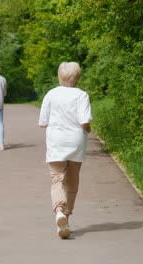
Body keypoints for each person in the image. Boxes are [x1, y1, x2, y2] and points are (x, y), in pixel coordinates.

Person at [38, 62, 92, 239]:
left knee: (57, 179)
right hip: (75, 141)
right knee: (72, 181)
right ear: (77, 78)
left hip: (56, 141)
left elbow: (42, 123)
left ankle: (59, 211)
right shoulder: (82, 95)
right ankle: (66, 218)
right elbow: (84, 121)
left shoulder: (51, 94)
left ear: (60, 76)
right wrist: (88, 129)